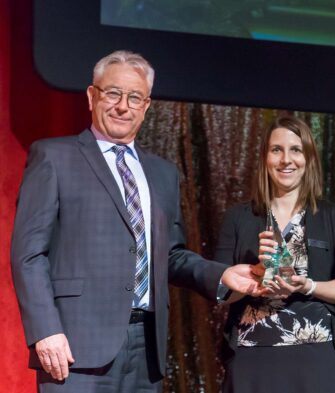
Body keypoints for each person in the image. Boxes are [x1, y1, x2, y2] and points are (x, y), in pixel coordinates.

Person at [10, 50, 264, 393]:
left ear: (146, 106)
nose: (122, 106)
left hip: (146, 349)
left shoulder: (162, 173)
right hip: (74, 347)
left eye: (134, 97)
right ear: (91, 96)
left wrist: (221, 274)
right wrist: (45, 330)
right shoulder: (54, 157)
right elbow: (28, 254)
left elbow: (170, 256)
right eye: (113, 93)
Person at [215, 116, 335, 393]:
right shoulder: (238, 218)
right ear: (265, 158)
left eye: (296, 149)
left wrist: (310, 286)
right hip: (252, 355)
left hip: (314, 355)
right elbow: (221, 292)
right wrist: (254, 277)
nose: (286, 160)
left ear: (309, 158)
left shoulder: (333, 216)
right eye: (276, 150)